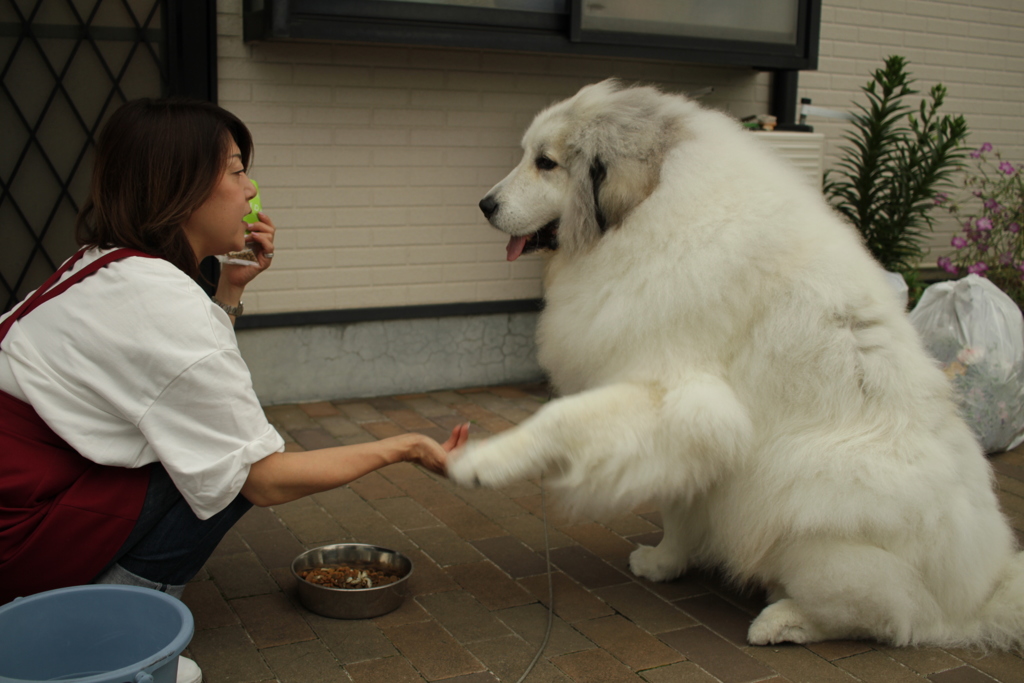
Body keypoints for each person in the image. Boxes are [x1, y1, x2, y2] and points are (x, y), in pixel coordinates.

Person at [0, 98, 469, 683]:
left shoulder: (104, 262)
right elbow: (262, 477)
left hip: (24, 494)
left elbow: (177, 383)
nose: (251, 191)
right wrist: (403, 447)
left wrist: (226, 291)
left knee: (211, 449)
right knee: (224, 471)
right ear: (181, 185)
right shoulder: (162, 301)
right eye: (235, 169)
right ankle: (112, 623)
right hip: (13, 539)